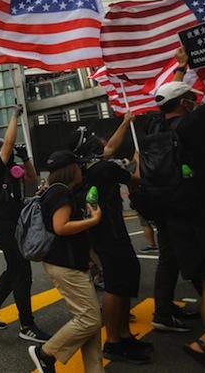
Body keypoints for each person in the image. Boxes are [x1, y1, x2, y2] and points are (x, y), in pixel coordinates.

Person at [147, 69, 205, 370]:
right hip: (204, 215)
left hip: (175, 220)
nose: (196, 101)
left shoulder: (156, 132)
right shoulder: (194, 124)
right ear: (184, 102)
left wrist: (180, 70)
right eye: (192, 98)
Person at [68, 120, 151, 364]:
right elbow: (134, 181)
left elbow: (110, 147)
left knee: (123, 280)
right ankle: (114, 341)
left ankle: (123, 335)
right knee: (117, 284)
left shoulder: (85, 169)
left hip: (102, 233)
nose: (101, 142)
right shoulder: (104, 169)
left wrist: (125, 122)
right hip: (111, 233)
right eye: (96, 139)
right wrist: (135, 162)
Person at [0, 109, 51, 344]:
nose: (9, 153)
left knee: (17, 269)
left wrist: (25, 157)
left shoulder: (9, 171)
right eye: (4, 151)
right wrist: (15, 116)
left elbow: (31, 176)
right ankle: (26, 324)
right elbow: (8, 143)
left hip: (16, 225)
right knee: (20, 270)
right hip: (4, 227)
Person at [28, 150, 104, 373]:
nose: (82, 171)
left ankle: (95, 369)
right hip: (65, 264)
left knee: (89, 319)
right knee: (89, 319)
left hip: (68, 263)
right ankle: (45, 353)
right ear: (71, 170)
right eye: (79, 167)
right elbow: (61, 227)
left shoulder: (54, 191)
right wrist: (94, 220)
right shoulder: (61, 193)